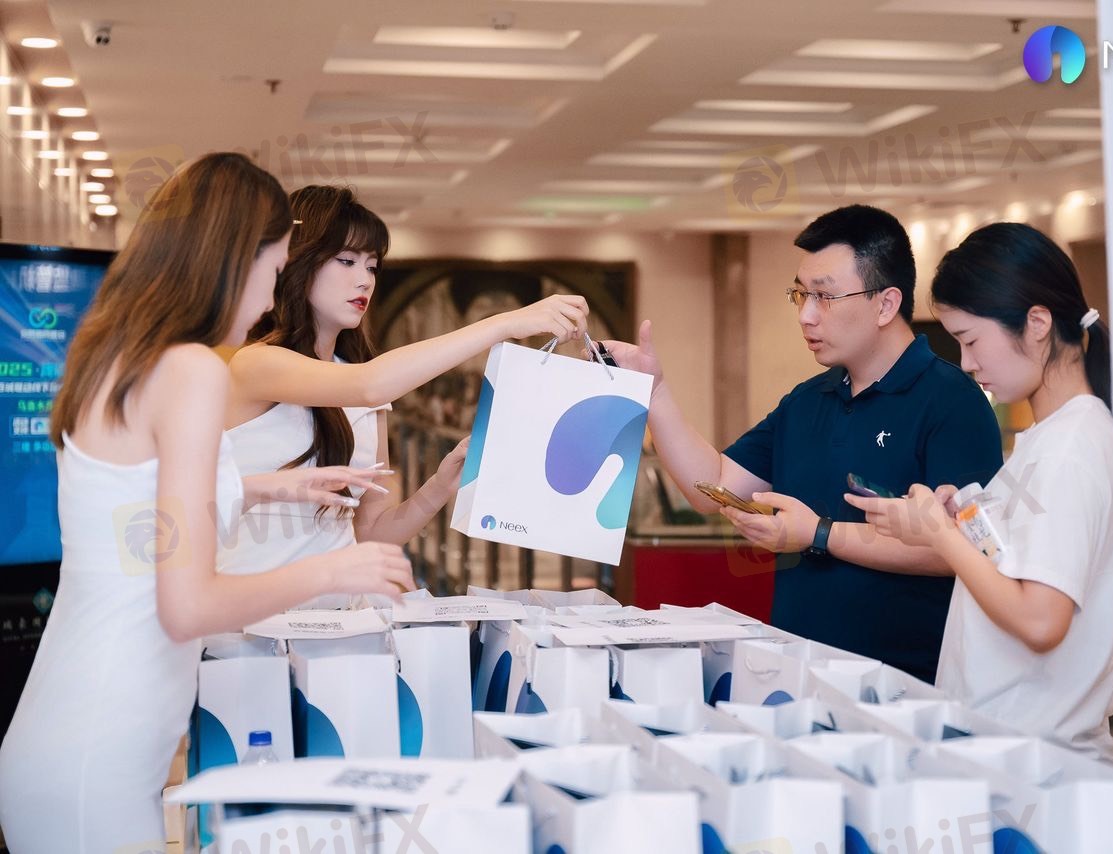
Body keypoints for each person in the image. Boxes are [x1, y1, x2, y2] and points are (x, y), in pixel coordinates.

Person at [0, 153, 415, 853]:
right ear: (231, 259)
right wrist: (333, 570)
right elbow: (187, 605)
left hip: (70, 732)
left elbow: (131, 525)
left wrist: (260, 487)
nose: (269, 300)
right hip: (101, 751)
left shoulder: (121, 358)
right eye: (272, 271)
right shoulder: (189, 369)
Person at [603, 205, 1003, 683]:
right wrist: (655, 394)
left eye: (824, 297)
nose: (805, 315)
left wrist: (818, 533)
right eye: (800, 294)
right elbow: (713, 486)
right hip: (797, 674)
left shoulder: (953, 401)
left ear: (885, 304)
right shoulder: (808, 400)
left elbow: (961, 551)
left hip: (905, 686)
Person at [220, 186, 587, 604]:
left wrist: (438, 486)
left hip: (336, 620)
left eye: (372, 266)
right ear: (297, 262)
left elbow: (370, 533)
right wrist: (503, 324)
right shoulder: (256, 364)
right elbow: (368, 384)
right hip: (248, 617)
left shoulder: (366, 388)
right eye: (346, 261)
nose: (365, 280)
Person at [849, 222, 1113, 766]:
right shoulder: (1052, 437)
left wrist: (941, 538)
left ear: (1037, 323)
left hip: (1040, 763)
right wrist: (961, 524)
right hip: (1013, 752)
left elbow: (1041, 621)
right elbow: (1019, 566)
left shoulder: (1070, 450)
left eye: (971, 340)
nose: (967, 363)